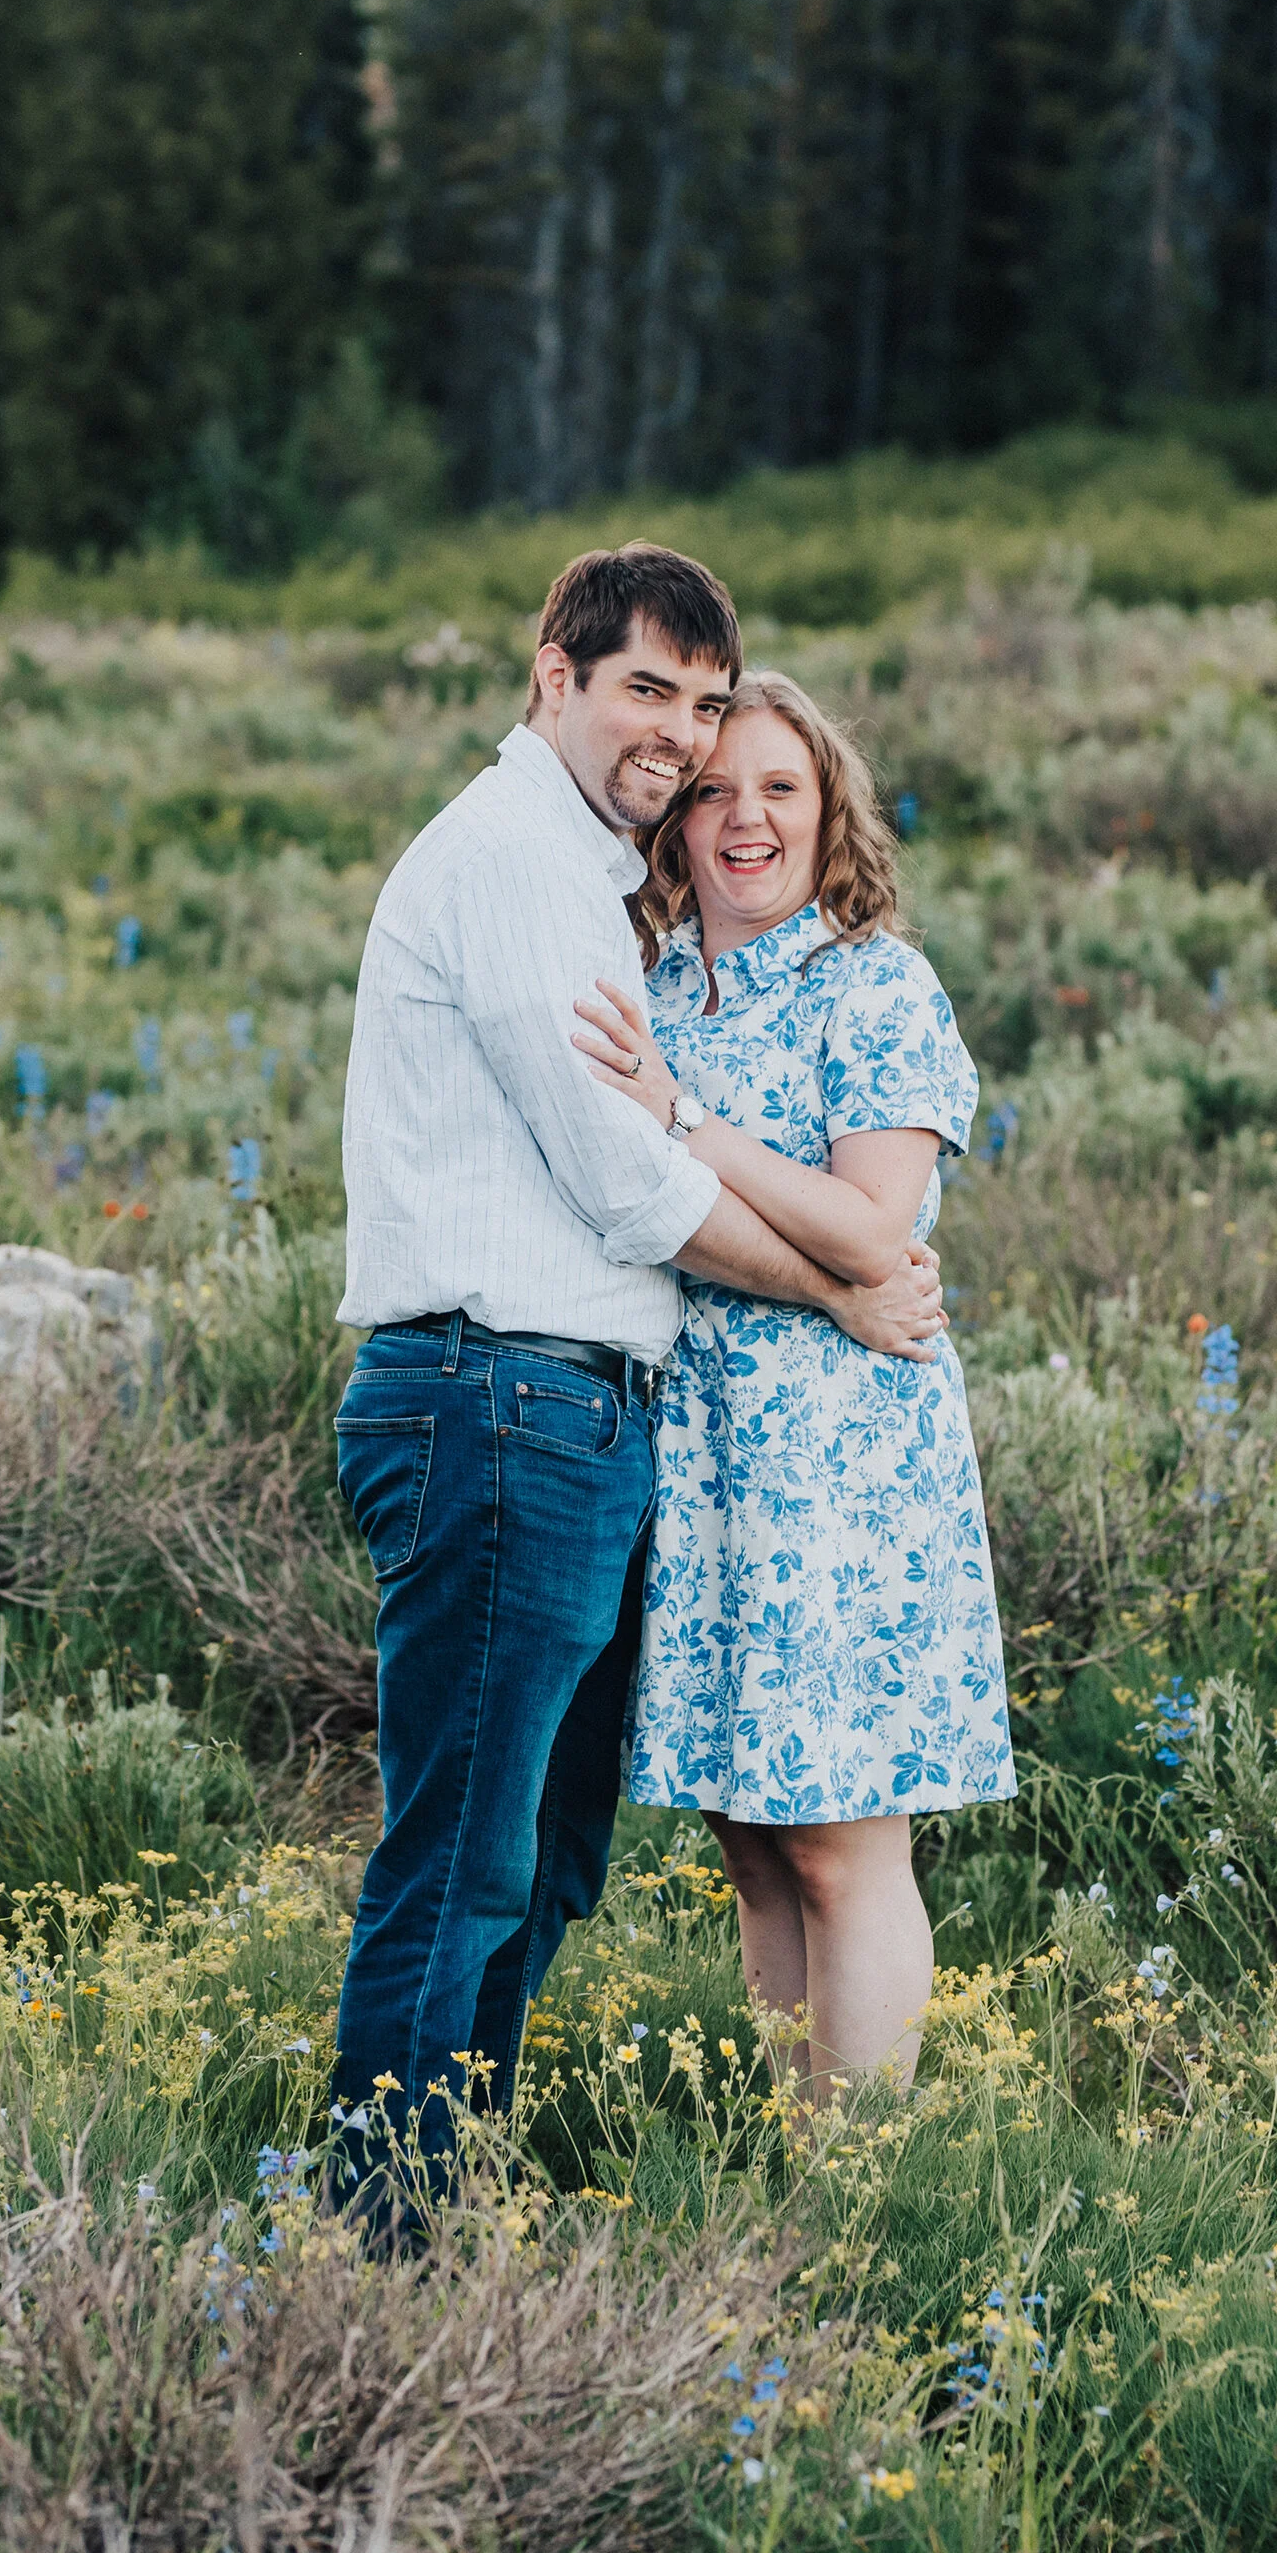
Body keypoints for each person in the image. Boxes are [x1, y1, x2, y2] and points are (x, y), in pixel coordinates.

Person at [329, 546, 944, 2210]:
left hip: (584, 1422)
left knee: (537, 1864)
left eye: (705, 704)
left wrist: (853, 1258)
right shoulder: (527, 867)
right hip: (500, 1397)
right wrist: (850, 1284)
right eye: (647, 695)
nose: (677, 741)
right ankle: (382, 2228)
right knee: (466, 1864)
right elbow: (629, 1190)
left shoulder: (619, 899)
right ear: (555, 675)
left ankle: (439, 2194)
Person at [571, 670, 1013, 2101]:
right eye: (711, 789)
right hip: (700, 1447)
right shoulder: (643, 983)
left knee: (839, 1836)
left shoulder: (870, 978)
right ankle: (794, 2145)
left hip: (840, 1450)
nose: (742, 817)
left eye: (779, 788)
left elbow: (875, 1226)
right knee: (751, 1832)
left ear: (830, 815)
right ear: (671, 820)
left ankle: (865, 2176)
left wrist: (684, 1117)